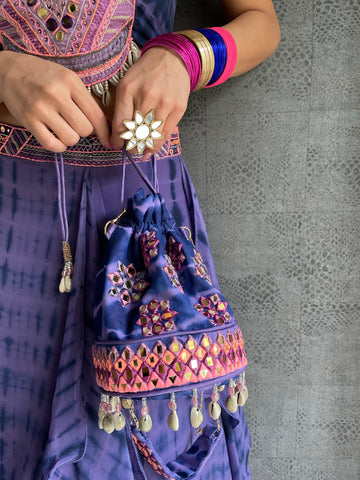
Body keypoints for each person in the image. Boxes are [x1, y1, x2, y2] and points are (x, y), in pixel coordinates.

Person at [0, 0, 280, 479]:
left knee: (162, 435)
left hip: (145, 215)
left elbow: (261, 24)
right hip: (12, 212)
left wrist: (185, 57)